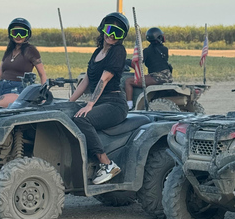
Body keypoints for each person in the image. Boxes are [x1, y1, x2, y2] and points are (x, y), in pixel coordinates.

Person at [69, 12, 130, 185]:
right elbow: (86, 81)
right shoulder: (97, 52)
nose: (111, 35)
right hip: (99, 102)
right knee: (68, 113)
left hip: (114, 103)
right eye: (110, 29)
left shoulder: (118, 51)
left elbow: (104, 79)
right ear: (103, 28)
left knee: (82, 119)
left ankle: (107, 164)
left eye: (117, 33)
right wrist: (69, 102)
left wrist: (89, 104)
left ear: (121, 37)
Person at [0, 17, 47, 107]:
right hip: (1, 88)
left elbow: (42, 74)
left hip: (18, 91)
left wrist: (43, 96)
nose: (18, 36)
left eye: (22, 33)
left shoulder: (31, 50)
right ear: (10, 34)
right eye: (15, 32)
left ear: (27, 35)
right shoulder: (10, 50)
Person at [124, 27, 173, 110]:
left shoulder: (147, 51)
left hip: (156, 77)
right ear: (159, 37)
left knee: (128, 81)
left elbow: (136, 65)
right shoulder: (164, 49)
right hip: (168, 76)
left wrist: (124, 61)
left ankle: (129, 105)